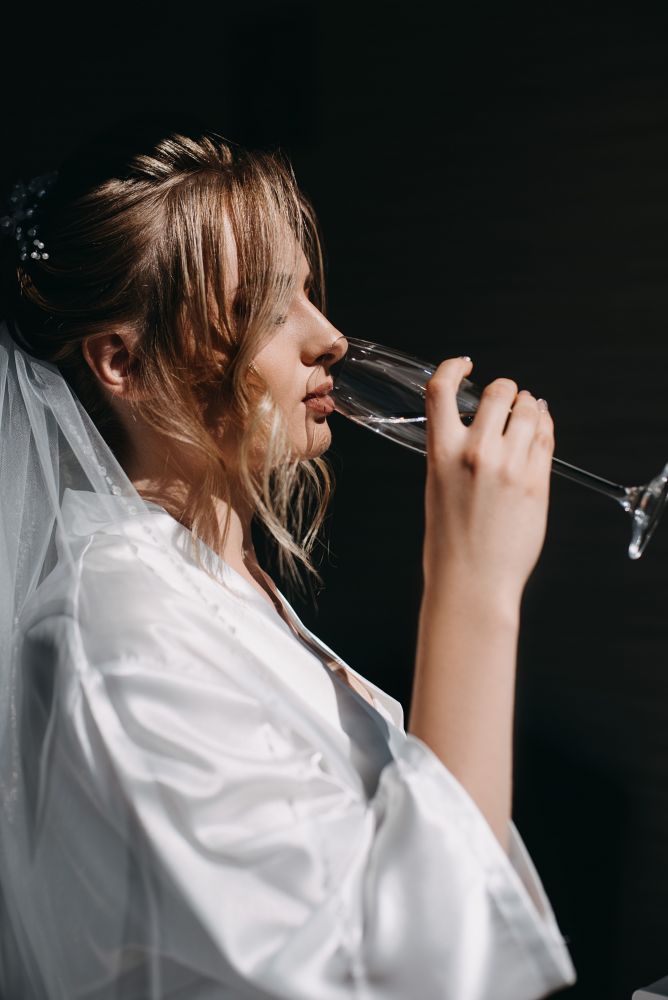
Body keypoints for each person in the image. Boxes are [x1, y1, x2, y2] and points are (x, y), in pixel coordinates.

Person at [0, 118, 577, 999]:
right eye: (270, 308)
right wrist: (474, 587)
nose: (330, 336)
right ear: (123, 362)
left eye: (308, 293)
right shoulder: (116, 632)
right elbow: (398, 980)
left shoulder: (218, 587)